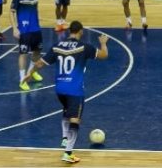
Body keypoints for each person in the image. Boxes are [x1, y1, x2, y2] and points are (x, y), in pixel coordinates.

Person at [22, 20, 109, 164]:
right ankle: (68, 153)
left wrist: (30, 74)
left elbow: (39, 63)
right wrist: (104, 43)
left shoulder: (57, 46)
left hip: (60, 89)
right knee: (75, 120)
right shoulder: (84, 47)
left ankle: (64, 138)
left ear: (70, 31)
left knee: (66, 110)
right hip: (74, 90)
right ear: (80, 31)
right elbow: (104, 55)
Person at [11, 0, 44, 91]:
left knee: (37, 51)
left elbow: (35, 8)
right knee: (23, 54)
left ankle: (31, 72)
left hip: (35, 28)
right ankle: (22, 80)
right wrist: (15, 28)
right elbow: (12, 12)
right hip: (24, 30)